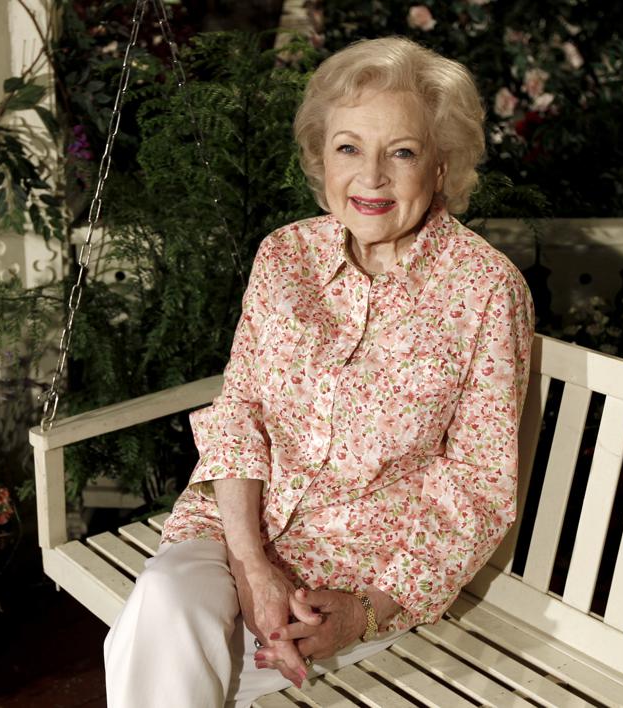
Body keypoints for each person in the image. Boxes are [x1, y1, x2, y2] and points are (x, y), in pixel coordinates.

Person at [104, 36, 535, 707]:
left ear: (442, 166)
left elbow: (479, 488)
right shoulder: (285, 257)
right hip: (234, 531)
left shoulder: (485, 291)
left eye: (402, 151)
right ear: (320, 158)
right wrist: (249, 566)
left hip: (357, 578)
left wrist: (364, 611)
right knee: (163, 603)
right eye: (348, 148)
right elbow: (240, 407)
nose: (372, 177)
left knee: (157, 654)